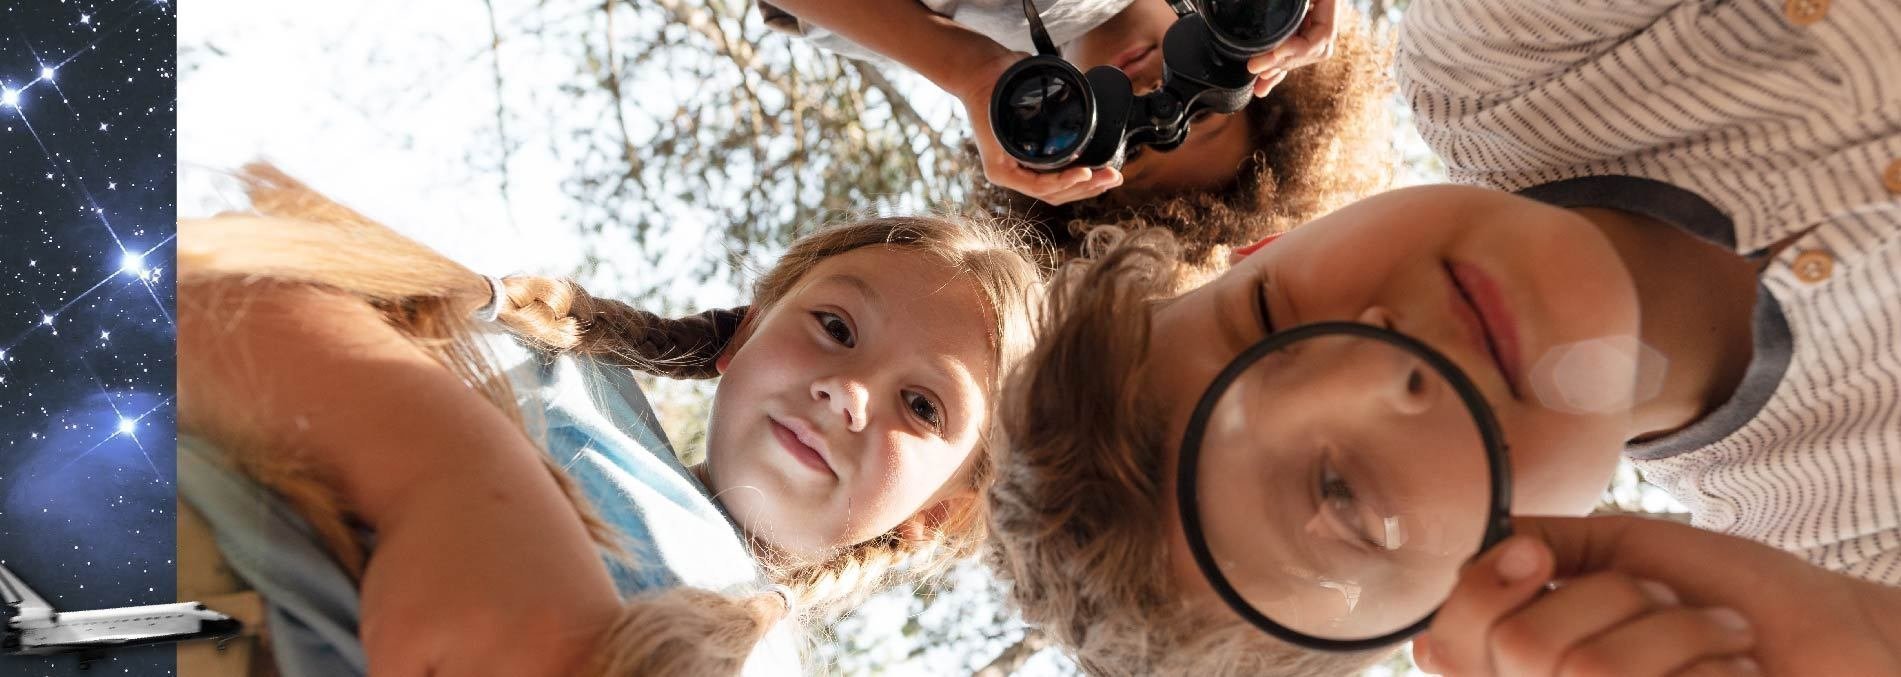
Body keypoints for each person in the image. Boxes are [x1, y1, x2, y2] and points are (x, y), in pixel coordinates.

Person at [984, 0, 1901, 673]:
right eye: (1344, 495)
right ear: (1469, 594)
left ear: (1265, 245)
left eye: (1268, 315)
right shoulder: (1851, 564)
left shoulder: (1503, 59)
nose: (1381, 368)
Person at [175, 164, 1041, 675]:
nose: (848, 391)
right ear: (738, 341)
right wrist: (442, 482)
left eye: (922, 407)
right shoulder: (558, 373)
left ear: (941, 513)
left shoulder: (761, 654)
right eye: (834, 327)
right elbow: (207, 280)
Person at [761, 0, 1394, 268]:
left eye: (1135, 142)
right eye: (1201, 112)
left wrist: (970, 69)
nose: (1153, 97)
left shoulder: (940, 31)